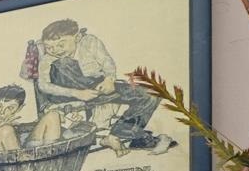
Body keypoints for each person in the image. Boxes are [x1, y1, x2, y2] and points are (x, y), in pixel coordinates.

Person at [33, 18, 162, 147]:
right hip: (68, 93)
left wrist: (109, 79)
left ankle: (120, 134)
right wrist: (77, 93)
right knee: (63, 62)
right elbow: (43, 85)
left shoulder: (90, 42)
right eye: (49, 47)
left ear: (77, 38)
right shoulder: (49, 59)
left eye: (61, 45)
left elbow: (107, 62)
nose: (55, 50)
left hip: (96, 86)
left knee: (151, 94)